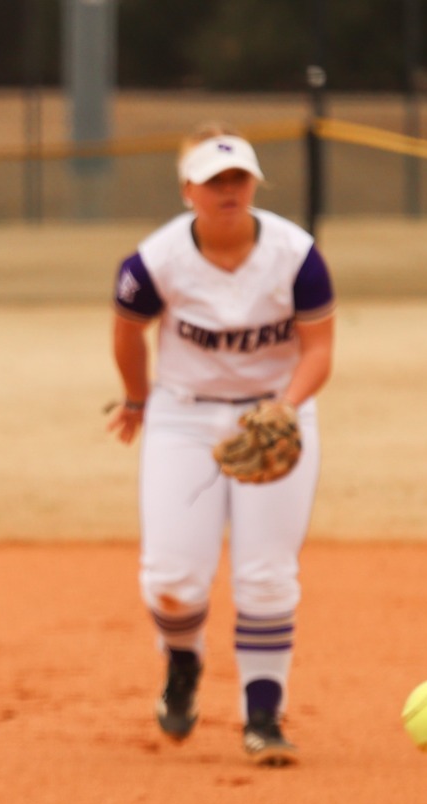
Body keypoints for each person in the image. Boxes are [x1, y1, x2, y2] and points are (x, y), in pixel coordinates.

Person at [106, 127, 335, 765]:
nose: (228, 191)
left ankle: (263, 716)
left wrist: (286, 407)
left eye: (238, 180)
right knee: (172, 578)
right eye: (214, 182)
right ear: (189, 191)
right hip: (183, 419)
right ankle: (183, 662)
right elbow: (127, 331)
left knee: (266, 576)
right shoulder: (154, 261)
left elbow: (319, 349)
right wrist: (135, 398)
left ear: (253, 184)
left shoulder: (295, 254)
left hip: (276, 414)